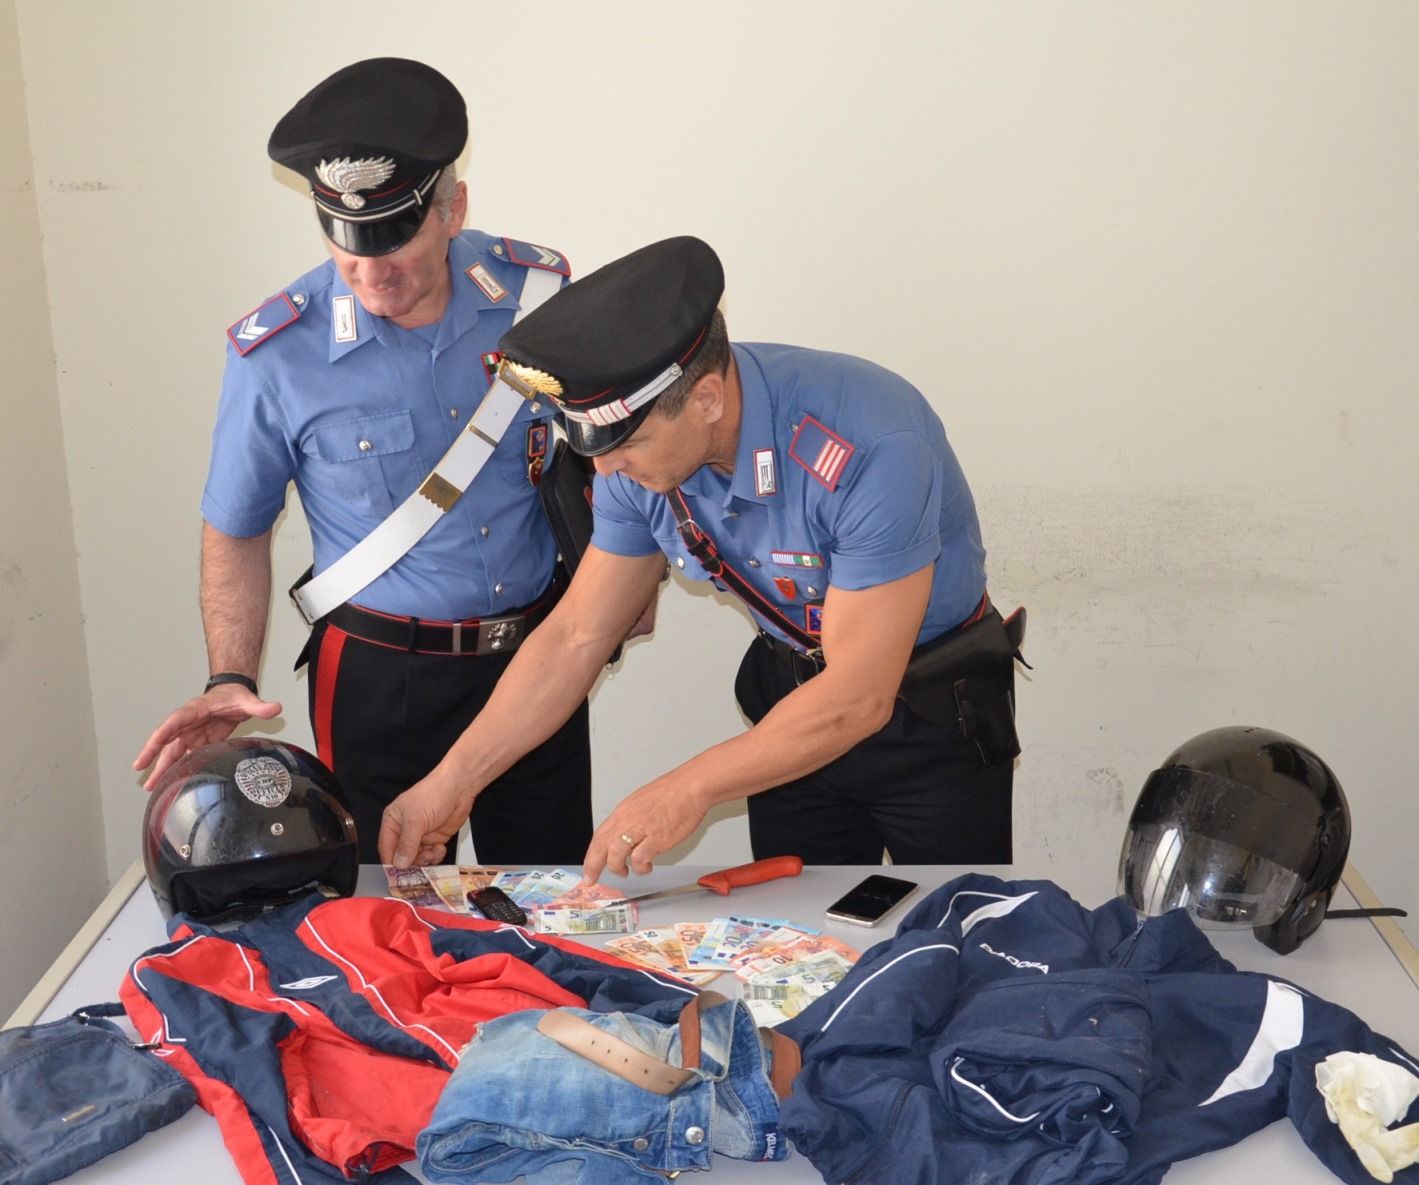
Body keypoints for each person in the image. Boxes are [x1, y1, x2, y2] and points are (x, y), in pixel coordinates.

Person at [378, 235, 1023, 881]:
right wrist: (452, 783)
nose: (606, 469)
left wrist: (686, 790)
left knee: (957, 918)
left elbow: (857, 696)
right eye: (595, 448)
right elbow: (577, 635)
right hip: (790, 710)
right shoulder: (633, 458)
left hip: (930, 717)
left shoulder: (869, 441)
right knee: (793, 926)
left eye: (626, 444)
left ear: (707, 399)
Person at [132, 58, 603, 865]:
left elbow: (609, 446)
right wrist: (228, 678)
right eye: (345, 243)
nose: (369, 270)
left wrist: (622, 576)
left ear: (453, 209)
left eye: (395, 239)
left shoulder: (536, 296)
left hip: (534, 659)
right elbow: (236, 527)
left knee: (549, 893)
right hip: (383, 680)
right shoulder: (276, 354)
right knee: (390, 906)